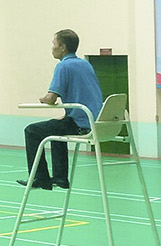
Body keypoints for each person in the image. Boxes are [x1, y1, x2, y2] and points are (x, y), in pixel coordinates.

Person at [19, 29, 103, 191]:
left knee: (31, 131)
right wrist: (66, 115)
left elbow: (51, 98)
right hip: (95, 121)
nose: (52, 48)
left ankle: (39, 178)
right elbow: (82, 95)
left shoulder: (63, 66)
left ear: (63, 47)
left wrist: (43, 98)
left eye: (54, 44)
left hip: (81, 124)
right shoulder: (85, 64)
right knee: (55, 128)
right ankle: (60, 177)